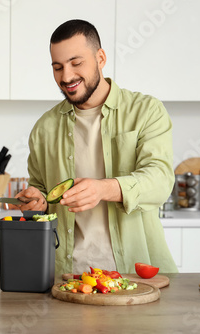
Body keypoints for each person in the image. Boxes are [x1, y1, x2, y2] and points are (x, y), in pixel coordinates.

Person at [15, 19, 178, 277]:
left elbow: (160, 181)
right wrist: (38, 202)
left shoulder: (146, 111)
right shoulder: (44, 127)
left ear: (100, 58)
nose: (66, 76)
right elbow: (43, 192)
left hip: (134, 276)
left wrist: (103, 188)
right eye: (57, 67)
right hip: (68, 277)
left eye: (76, 63)